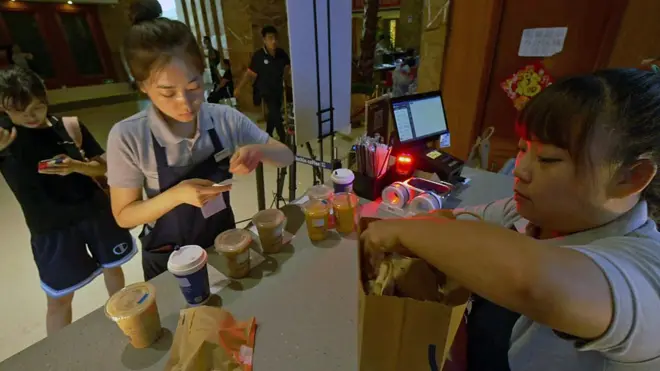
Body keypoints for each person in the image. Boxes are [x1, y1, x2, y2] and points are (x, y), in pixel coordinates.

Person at [360, 69, 660, 371]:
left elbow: (537, 285)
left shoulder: (644, 273)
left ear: (630, 177)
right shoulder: (531, 213)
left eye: (548, 160)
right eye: (522, 149)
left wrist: (401, 231)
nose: (520, 170)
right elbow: (455, 221)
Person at [107, 0, 294, 280]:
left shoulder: (223, 118)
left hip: (225, 243)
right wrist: (177, 195)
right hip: (170, 257)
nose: (186, 103)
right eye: (168, 93)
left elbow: (286, 156)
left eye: (194, 86)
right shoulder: (129, 136)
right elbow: (124, 215)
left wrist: (258, 150)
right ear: (143, 86)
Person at [0, 66, 136, 335]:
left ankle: (128, 322)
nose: (31, 116)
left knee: (113, 268)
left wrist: (77, 166)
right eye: (20, 111)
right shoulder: (4, 140)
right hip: (51, 230)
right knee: (59, 298)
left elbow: (104, 168)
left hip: (95, 212)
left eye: (37, 107)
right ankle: (58, 354)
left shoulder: (68, 127)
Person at [234, 25, 290, 142]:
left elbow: (287, 66)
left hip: (278, 89)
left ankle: (268, 134)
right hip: (265, 89)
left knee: (273, 114)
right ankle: (284, 139)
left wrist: (286, 79)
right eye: (270, 38)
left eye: (275, 38)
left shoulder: (281, 53)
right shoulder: (258, 56)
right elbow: (249, 73)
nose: (273, 41)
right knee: (276, 114)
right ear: (264, 40)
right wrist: (239, 88)